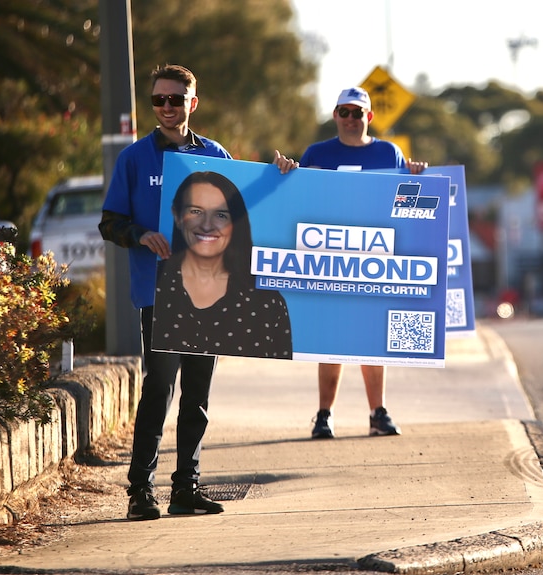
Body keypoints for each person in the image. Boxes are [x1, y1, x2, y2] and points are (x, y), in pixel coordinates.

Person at [99, 64, 298, 521]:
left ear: (192, 103)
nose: (166, 107)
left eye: (174, 99)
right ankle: (139, 492)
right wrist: (141, 235)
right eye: (158, 100)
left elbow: (243, 206)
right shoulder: (133, 159)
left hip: (209, 291)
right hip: (159, 293)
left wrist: (278, 176)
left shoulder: (214, 153)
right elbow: (110, 222)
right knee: (158, 390)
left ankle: (185, 489)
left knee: (198, 395)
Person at [299, 86, 428, 440]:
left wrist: (415, 178)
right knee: (332, 340)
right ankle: (324, 415)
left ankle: (377, 413)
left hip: (376, 259)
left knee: (373, 337)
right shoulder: (316, 153)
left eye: (359, 113)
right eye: (345, 112)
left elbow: (407, 205)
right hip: (331, 260)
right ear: (335, 115)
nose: (352, 119)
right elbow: (296, 200)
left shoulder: (389, 153)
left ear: (369, 117)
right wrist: (285, 172)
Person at [152, 170, 292, 358]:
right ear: (176, 216)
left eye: (221, 215)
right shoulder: (155, 284)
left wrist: (280, 173)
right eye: (196, 211)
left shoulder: (267, 302)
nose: (207, 225)